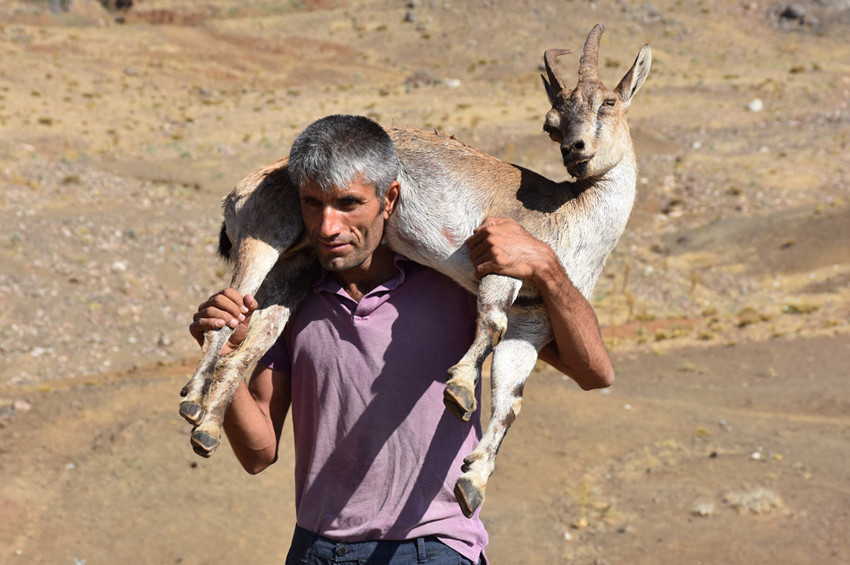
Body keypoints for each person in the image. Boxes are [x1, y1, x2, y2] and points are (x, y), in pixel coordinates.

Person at [189, 115, 614, 564]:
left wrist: (546, 267)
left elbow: (593, 372)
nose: (327, 226)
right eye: (313, 204)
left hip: (432, 549)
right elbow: (258, 454)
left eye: (348, 203)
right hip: (316, 549)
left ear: (389, 198)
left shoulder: (457, 283)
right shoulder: (289, 302)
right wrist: (224, 361)